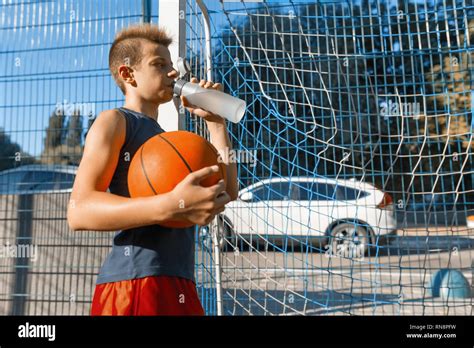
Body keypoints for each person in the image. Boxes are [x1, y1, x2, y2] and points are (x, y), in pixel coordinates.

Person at [66, 23, 239, 316]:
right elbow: (79, 210)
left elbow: (228, 191)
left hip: (180, 280)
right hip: (134, 282)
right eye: (159, 64)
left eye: (172, 65)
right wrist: (170, 205)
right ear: (127, 73)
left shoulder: (167, 140)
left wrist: (216, 125)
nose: (173, 73)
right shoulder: (115, 121)